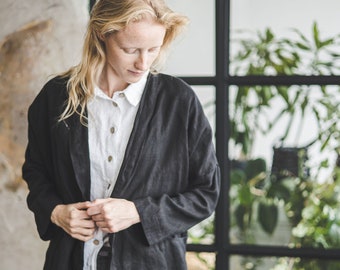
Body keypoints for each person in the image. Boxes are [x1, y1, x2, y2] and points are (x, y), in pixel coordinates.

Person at [22, 0, 220, 269]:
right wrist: (56, 212)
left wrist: (138, 212)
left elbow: (205, 193)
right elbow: (36, 171)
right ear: (102, 34)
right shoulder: (55, 97)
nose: (143, 62)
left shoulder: (179, 102)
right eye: (130, 49)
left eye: (153, 49)